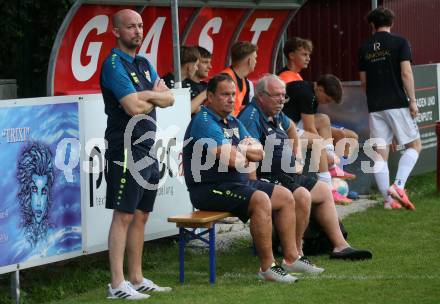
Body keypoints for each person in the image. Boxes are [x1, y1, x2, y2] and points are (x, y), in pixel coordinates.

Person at [183, 73, 324, 283]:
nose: (231, 99)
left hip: (236, 183)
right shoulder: (204, 121)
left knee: (286, 197)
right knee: (260, 200)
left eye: (233, 94)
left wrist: (240, 151)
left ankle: (292, 257)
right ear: (210, 97)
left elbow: (260, 153)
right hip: (209, 188)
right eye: (225, 95)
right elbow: (231, 160)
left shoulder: (231, 121)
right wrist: (243, 150)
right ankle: (268, 267)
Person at [239, 74, 373, 260]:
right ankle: (294, 250)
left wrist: (298, 158)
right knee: (302, 195)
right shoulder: (251, 117)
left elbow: (292, 127)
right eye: (276, 95)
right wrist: (254, 185)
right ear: (261, 96)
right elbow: (248, 155)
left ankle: (340, 246)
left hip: (287, 174)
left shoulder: (275, 112)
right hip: (267, 179)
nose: (281, 100)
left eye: (283, 96)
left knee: (323, 191)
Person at [100, 9, 174, 300]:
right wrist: (150, 97)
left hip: (147, 146)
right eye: (131, 27)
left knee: (141, 215)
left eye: (140, 26)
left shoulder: (144, 63)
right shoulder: (113, 64)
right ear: (116, 31)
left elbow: (168, 98)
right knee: (124, 215)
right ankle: (117, 285)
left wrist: (148, 97)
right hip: (126, 147)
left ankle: (137, 277)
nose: (138, 31)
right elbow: (132, 107)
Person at [358, 7, 421, 210]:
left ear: (372, 25)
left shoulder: (364, 47)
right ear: (391, 23)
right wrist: (412, 100)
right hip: (397, 102)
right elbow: (406, 74)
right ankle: (399, 186)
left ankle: (389, 201)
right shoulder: (400, 42)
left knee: (380, 153)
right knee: (414, 145)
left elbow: (363, 82)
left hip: (375, 106)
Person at [17, 142, 54, 247]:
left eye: (43, 192)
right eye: (34, 190)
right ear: (27, 192)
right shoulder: (19, 235)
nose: (39, 202)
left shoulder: (53, 233)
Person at [163, 45, 202, 114]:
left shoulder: (190, 84)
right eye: (196, 65)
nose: (197, 68)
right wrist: (205, 94)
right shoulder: (164, 84)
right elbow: (182, 112)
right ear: (189, 66)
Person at [222, 41, 257, 116]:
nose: (256, 62)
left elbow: (242, 107)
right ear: (249, 60)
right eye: (255, 58)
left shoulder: (245, 81)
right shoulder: (224, 78)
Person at [186, 46, 212, 114]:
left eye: (209, 62)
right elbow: (186, 112)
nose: (210, 67)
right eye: (205, 62)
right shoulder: (181, 85)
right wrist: (206, 93)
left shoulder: (206, 85)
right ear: (195, 63)